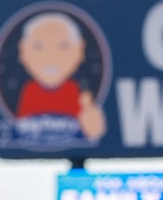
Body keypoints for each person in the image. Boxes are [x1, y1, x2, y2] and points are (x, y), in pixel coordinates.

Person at [14, 12, 106, 142]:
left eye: (63, 46)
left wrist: (92, 122)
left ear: (79, 50)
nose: (50, 56)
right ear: (23, 51)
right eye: (38, 47)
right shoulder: (30, 91)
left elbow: (93, 130)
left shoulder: (73, 91)